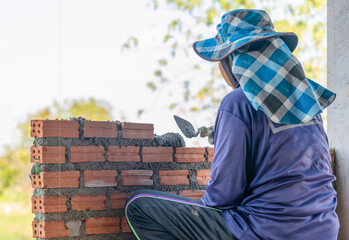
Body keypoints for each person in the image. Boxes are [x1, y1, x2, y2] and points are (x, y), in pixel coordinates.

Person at [125, 9, 339, 240]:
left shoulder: (236, 103)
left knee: (138, 205)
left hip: (269, 232)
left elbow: (224, 195)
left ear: (232, 60)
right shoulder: (307, 99)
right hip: (323, 228)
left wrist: (200, 217)